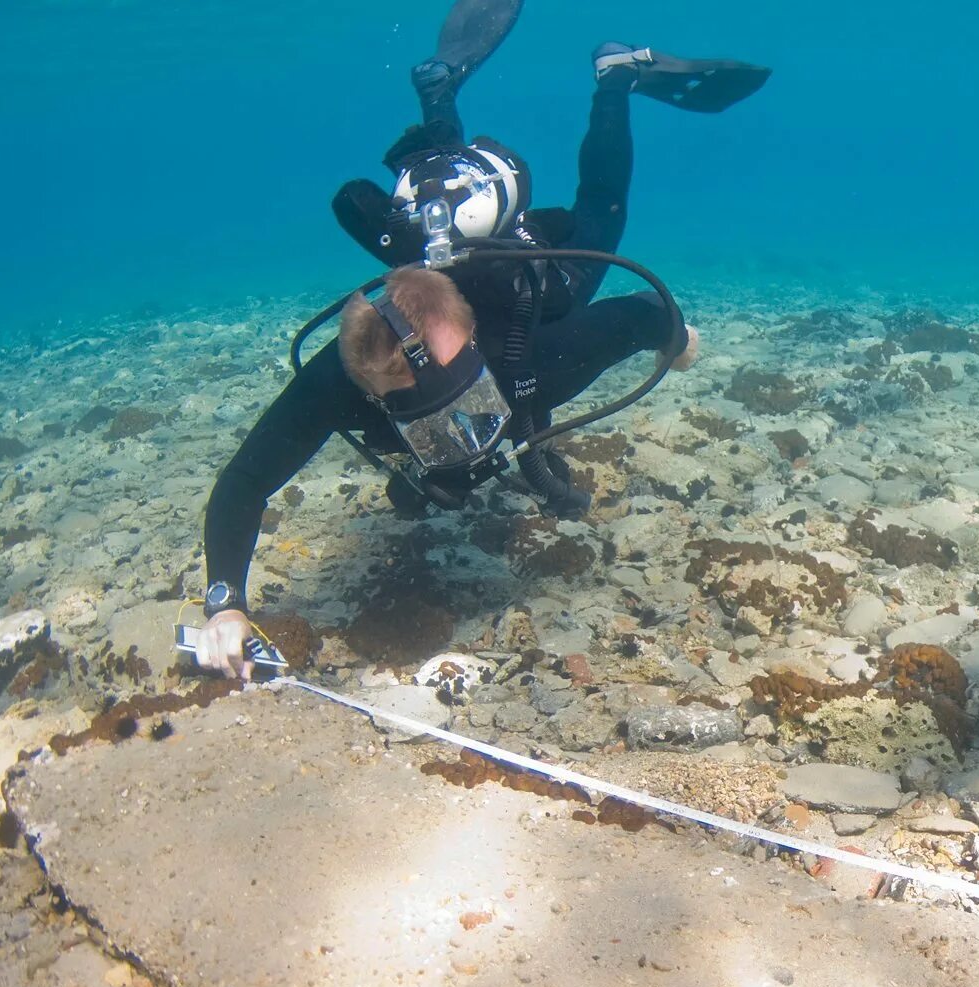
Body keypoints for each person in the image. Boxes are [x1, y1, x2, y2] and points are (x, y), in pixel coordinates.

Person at [195, 6, 769, 680]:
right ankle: (440, 104)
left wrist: (676, 336)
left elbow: (641, 312)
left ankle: (614, 82)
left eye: (459, 407)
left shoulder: (531, 339)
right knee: (434, 190)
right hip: (437, 267)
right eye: (427, 422)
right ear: (366, 387)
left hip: (517, 266)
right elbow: (244, 482)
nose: (456, 435)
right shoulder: (337, 381)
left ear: (471, 344)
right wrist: (224, 604)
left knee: (603, 219)